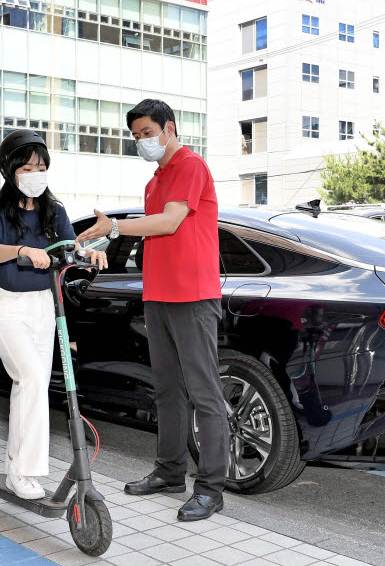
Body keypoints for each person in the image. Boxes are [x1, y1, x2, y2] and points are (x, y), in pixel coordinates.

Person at [76, 99, 227, 522]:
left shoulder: (191, 167)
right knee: (167, 390)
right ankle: (169, 472)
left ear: (169, 128)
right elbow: (153, 231)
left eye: (148, 133)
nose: (143, 141)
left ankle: (212, 488)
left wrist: (117, 227)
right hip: (159, 296)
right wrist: (102, 241)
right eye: (137, 136)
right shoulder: (156, 179)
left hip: (194, 297)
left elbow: (169, 222)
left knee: (204, 394)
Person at [0, 130, 107, 499]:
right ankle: (24, 473)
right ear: (11, 169)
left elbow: (72, 245)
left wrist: (90, 253)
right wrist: (21, 249)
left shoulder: (56, 211)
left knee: (31, 388)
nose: (37, 172)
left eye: (42, 166)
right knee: (33, 377)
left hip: (44, 309)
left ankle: (16, 468)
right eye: (29, 166)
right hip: (7, 309)